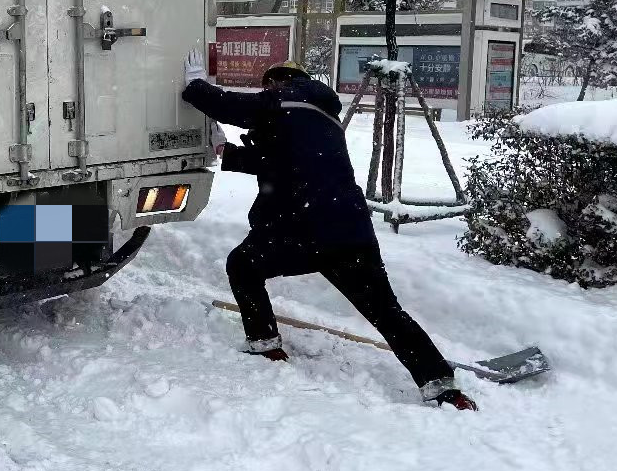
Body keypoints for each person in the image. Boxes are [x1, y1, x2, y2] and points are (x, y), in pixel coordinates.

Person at [182, 51, 477, 410]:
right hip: (349, 230)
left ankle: (265, 344)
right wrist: (224, 151)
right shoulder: (324, 118)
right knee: (386, 310)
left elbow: (228, 105)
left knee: (242, 265)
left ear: (277, 82)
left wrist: (196, 85)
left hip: (301, 231)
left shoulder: (284, 97)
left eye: (269, 86)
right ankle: (443, 385)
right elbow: (280, 163)